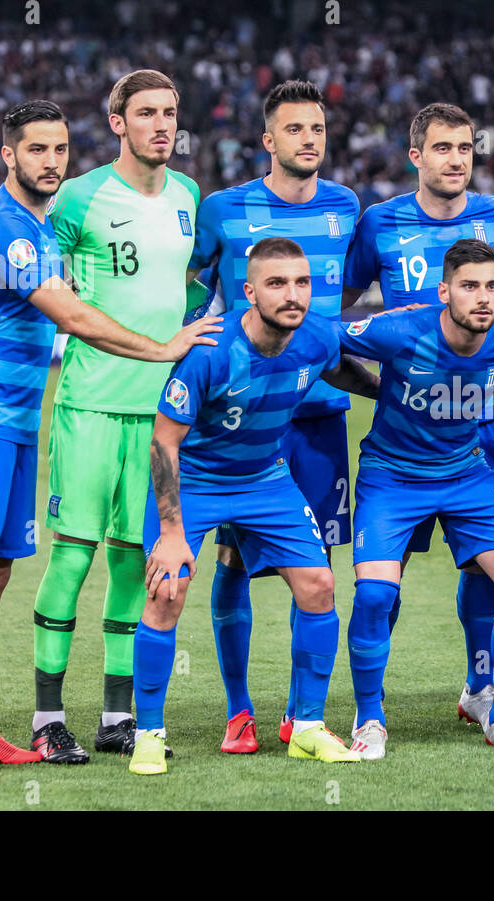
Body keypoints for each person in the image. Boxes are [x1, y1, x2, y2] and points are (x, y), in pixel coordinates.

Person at [0, 99, 218, 781]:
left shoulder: (44, 227)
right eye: (36, 150)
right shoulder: (6, 225)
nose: (51, 161)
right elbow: (76, 317)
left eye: (59, 150)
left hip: (19, 421)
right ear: (9, 155)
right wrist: (161, 348)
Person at [131, 237, 378, 774]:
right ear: (248, 292)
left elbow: (335, 366)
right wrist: (171, 533)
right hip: (195, 479)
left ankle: (306, 726)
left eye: (302, 283)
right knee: (167, 590)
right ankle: (148, 732)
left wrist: (385, 391)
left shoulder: (314, 335)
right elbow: (163, 442)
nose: (293, 295)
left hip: (266, 478)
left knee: (318, 586)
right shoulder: (211, 351)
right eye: (277, 283)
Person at [342, 104, 494, 730]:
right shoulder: (379, 223)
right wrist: (375, 386)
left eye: (466, 148)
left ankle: (481, 687)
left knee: (484, 561)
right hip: (405, 421)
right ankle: (374, 697)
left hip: (480, 420)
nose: (456, 159)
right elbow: (340, 311)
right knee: (382, 574)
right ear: (415, 155)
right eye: (443, 148)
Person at [184, 80, 360, 753]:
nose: (309, 139)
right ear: (268, 140)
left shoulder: (347, 207)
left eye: (317, 128)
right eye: (295, 129)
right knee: (231, 558)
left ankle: (302, 716)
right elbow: (195, 295)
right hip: (237, 417)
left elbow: (360, 286)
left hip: (316, 413)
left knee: (312, 567)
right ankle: (238, 709)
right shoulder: (223, 210)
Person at [340, 239, 494, 757]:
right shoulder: (399, 330)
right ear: (444, 292)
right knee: (375, 595)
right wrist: (370, 387)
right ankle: (369, 717)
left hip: (467, 477)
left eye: (491, 287)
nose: (483, 297)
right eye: (469, 287)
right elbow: (321, 339)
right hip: (391, 477)